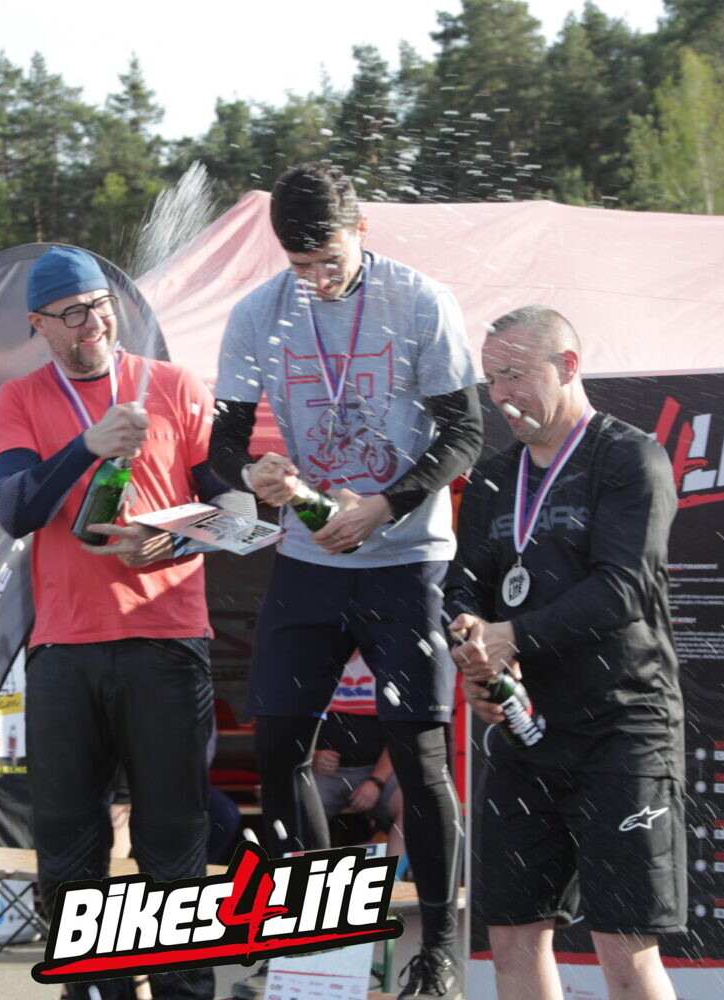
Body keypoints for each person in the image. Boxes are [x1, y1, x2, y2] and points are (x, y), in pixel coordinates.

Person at [208, 163, 482, 1000]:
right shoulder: (257, 313)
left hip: (407, 558)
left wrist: (386, 504)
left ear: (361, 230)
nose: (318, 279)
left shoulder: (420, 300)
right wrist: (251, 473)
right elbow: (223, 444)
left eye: (330, 260)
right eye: (301, 266)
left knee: (419, 754)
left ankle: (438, 951)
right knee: (279, 745)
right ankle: (315, 925)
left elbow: (466, 432)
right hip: (309, 556)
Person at [0, 245, 239, 1000]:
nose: (90, 323)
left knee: (174, 845)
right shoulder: (18, 398)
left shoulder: (175, 385)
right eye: (70, 314)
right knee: (69, 847)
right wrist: (84, 447)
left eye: (98, 306)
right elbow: (15, 510)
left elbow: (234, 513)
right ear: (38, 325)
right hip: (64, 648)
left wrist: (169, 542)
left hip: (166, 640)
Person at [446, 306, 683, 1000]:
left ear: (568, 366)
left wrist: (513, 636)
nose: (501, 396)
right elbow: (462, 586)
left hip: (621, 727)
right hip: (523, 730)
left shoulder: (629, 457)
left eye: (515, 375)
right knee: (512, 938)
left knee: (624, 946)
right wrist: (471, 643)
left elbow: (624, 587)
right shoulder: (493, 478)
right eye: (492, 380)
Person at [312, 654, 403, 856]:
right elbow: (287, 727)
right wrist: (312, 755)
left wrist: (376, 781)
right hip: (322, 774)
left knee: (413, 805)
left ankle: (395, 873)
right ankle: (311, 873)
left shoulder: (385, 660)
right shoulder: (312, 660)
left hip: (376, 772)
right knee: (298, 808)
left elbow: (400, 733)